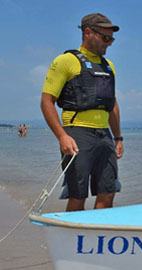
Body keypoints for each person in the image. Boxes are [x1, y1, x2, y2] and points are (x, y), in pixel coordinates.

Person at [40, 13, 123, 212]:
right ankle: (73, 239)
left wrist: (118, 138)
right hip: (77, 133)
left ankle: (98, 236)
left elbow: (112, 105)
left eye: (112, 39)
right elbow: (46, 102)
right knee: (77, 195)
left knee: (108, 192)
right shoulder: (65, 61)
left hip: (104, 136)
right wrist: (62, 136)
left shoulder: (109, 67)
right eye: (106, 37)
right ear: (88, 32)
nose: (109, 43)